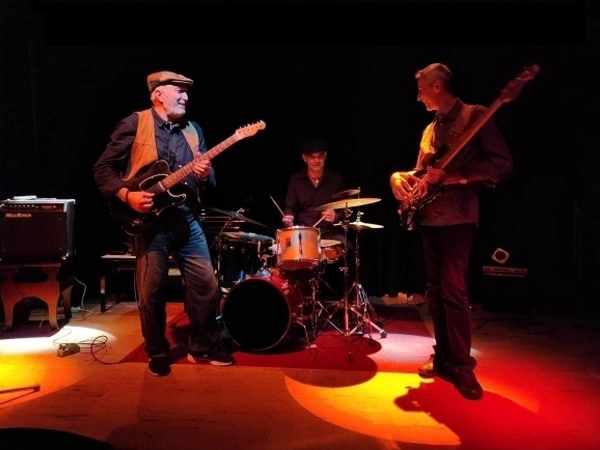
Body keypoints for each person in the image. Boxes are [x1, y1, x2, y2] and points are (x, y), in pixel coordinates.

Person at [93, 70, 234, 376]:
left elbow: (208, 180)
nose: (186, 96)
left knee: (206, 286)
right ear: (158, 94)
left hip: (186, 218)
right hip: (149, 222)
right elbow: (103, 169)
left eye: (187, 91)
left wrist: (205, 174)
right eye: (179, 90)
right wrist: (127, 195)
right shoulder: (135, 122)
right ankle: (157, 351)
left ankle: (203, 346)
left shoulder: (193, 130)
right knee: (151, 292)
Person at [390, 63, 513, 400]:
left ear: (437, 86)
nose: (418, 97)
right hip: (429, 218)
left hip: (459, 218)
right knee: (433, 291)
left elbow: (501, 163)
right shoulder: (429, 129)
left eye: (421, 90)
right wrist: (398, 178)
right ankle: (443, 355)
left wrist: (458, 178)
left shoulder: (475, 116)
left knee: (453, 290)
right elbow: (421, 173)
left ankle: (461, 365)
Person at [280, 138, 349, 299]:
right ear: (304, 158)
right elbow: (290, 206)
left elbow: (345, 209)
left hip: (330, 232)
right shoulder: (296, 180)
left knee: (349, 249)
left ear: (325, 157)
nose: (316, 160)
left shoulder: (336, 180)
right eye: (312, 157)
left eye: (320, 156)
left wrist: (336, 215)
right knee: (283, 250)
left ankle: (344, 297)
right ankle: (296, 296)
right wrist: (288, 217)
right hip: (305, 233)